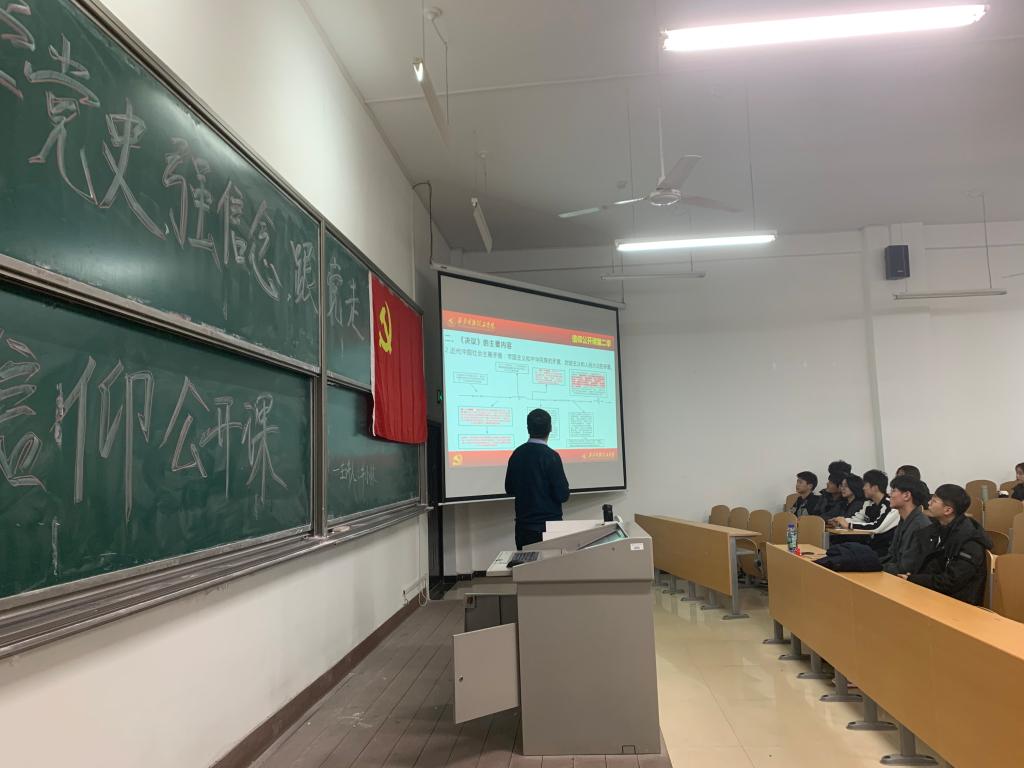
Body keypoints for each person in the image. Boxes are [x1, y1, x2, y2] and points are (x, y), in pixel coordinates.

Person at [905, 484, 992, 606]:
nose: (928, 503)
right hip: (934, 593)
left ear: (948, 510)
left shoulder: (969, 541)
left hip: (957, 603)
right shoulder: (937, 530)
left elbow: (952, 581)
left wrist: (914, 579)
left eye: (934, 501)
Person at [504, 408, 570, 550]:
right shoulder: (551, 456)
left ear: (528, 428)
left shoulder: (517, 454)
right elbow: (562, 495)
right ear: (550, 428)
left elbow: (509, 489)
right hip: (550, 528)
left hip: (524, 528)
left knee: (526, 564)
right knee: (551, 563)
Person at [830, 469, 898, 555]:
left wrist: (849, 525)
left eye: (865, 485)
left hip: (885, 549)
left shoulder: (890, 504)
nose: (863, 488)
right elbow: (857, 519)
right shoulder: (868, 503)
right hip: (870, 545)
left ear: (875, 487)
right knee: (838, 550)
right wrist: (840, 522)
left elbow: (877, 527)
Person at [880, 476, 933, 575]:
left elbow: (907, 567)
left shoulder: (920, 526)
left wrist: (877, 567)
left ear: (907, 495)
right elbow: (891, 555)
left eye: (894, 491)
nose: (889, 494)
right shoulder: (904, 520)